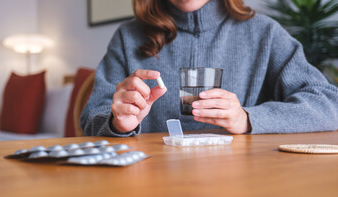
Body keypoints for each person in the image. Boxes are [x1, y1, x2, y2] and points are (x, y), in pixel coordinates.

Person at [80, 0, 338, 137]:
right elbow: (92, 117)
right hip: (150, 191)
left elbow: (329, 104)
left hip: (244, 187)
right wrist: (116, 123)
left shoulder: (265, 34)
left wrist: (247, 118)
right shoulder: (128, 37)